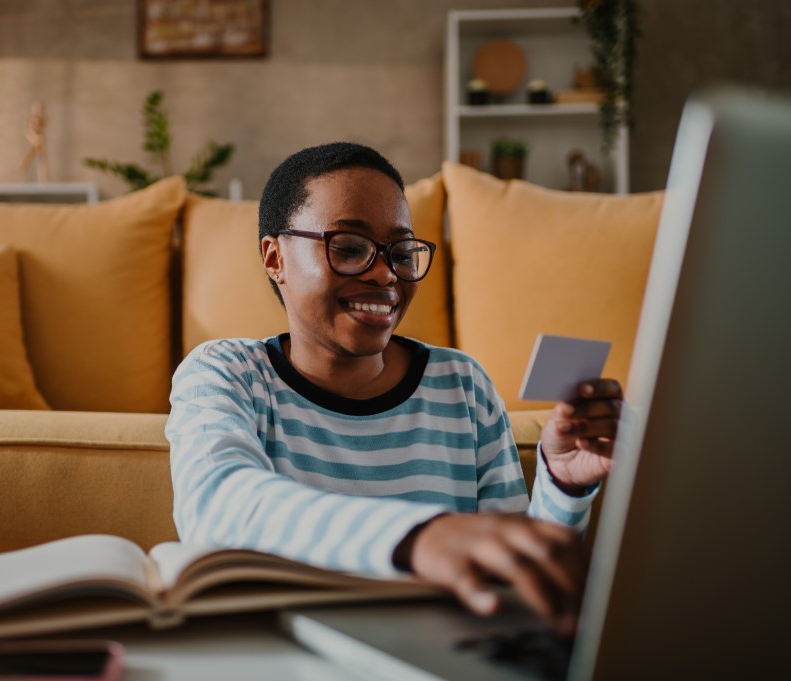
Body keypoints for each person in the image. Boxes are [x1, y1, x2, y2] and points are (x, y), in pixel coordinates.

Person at [166, 142, 622, 635]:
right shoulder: (225, 374)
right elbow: (217, 507)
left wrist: (564, 484)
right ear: (275, 257)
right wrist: (422, 537)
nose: (385, 274)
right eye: (347, 248)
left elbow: (514, 579)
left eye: (402, 252)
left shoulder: (463, 387)